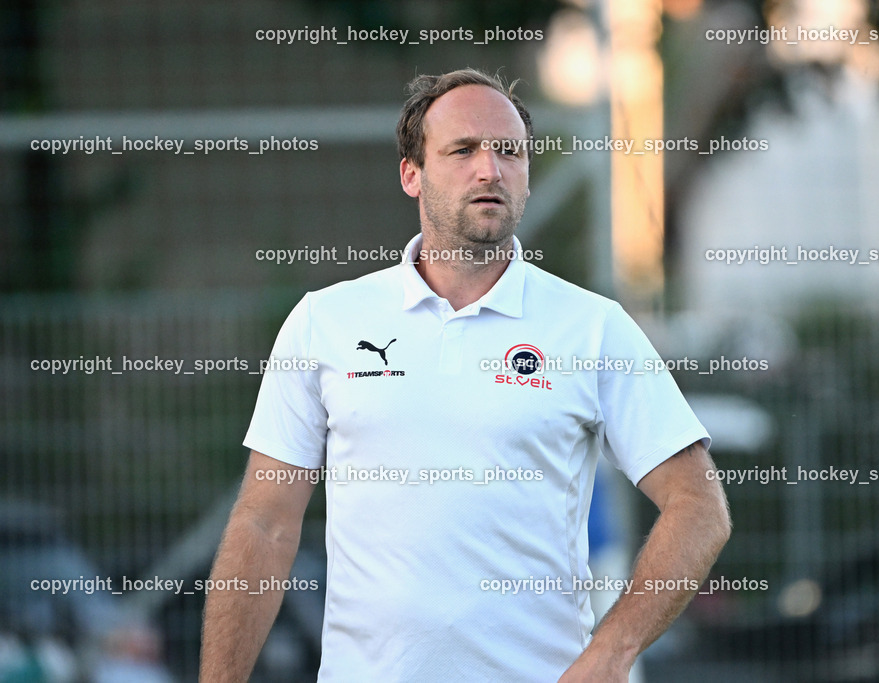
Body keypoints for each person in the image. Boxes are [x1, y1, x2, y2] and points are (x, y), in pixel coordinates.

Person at [199, 68, 731, 682]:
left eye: (509, 152)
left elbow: (698, 506)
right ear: (411, 174)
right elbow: (265, 523)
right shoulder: (326, 321)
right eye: (463, 150)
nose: (490, 169)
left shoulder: (593, 328)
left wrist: (611, 655)